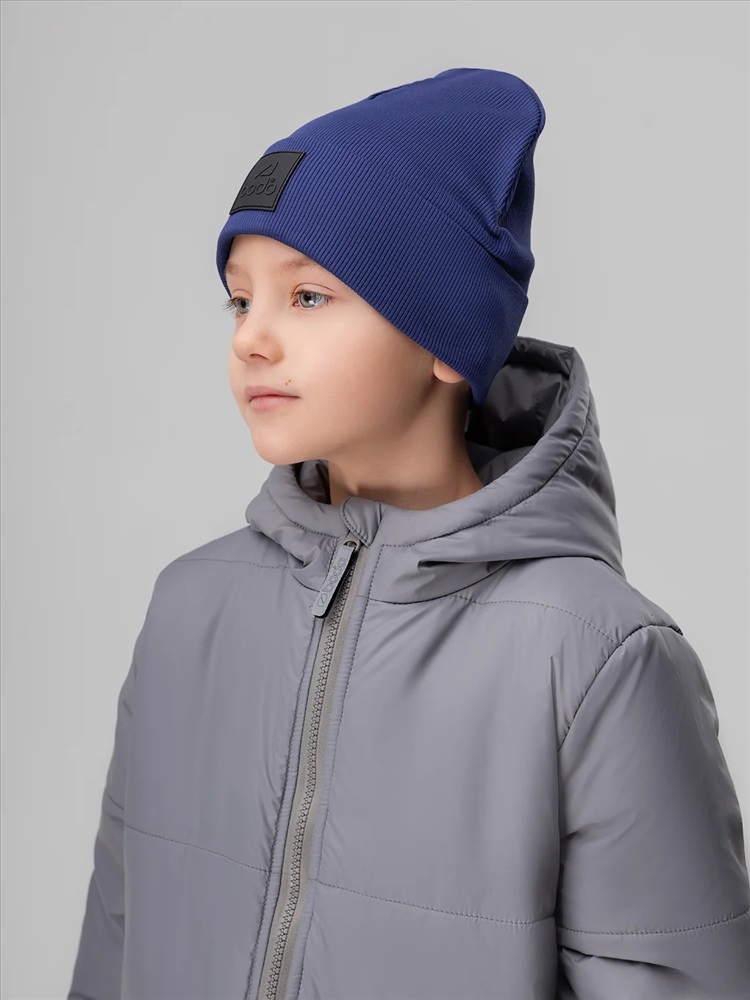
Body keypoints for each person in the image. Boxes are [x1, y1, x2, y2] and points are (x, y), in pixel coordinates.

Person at [68, 67, 750, 1000]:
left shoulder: (598, 659)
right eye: (240, 299)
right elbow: (112, 954)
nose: (251, 338)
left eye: (308, 297)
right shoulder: (188, 611)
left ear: (446, 336)